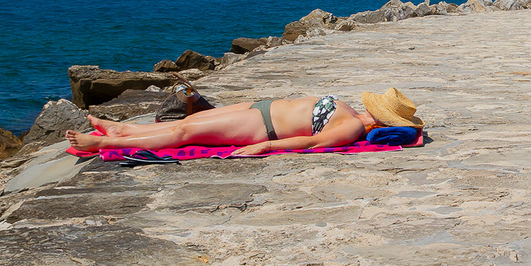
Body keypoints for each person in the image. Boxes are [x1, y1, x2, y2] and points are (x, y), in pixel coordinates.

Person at [67, 87, 423, 156]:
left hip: (261, 128)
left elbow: (311, 143)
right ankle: (127, 129)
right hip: (261, 107)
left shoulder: (355, 128)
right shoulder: (351, 114)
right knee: (199, 117)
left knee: (185, 131)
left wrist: (266, 145)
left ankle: (105, 143)